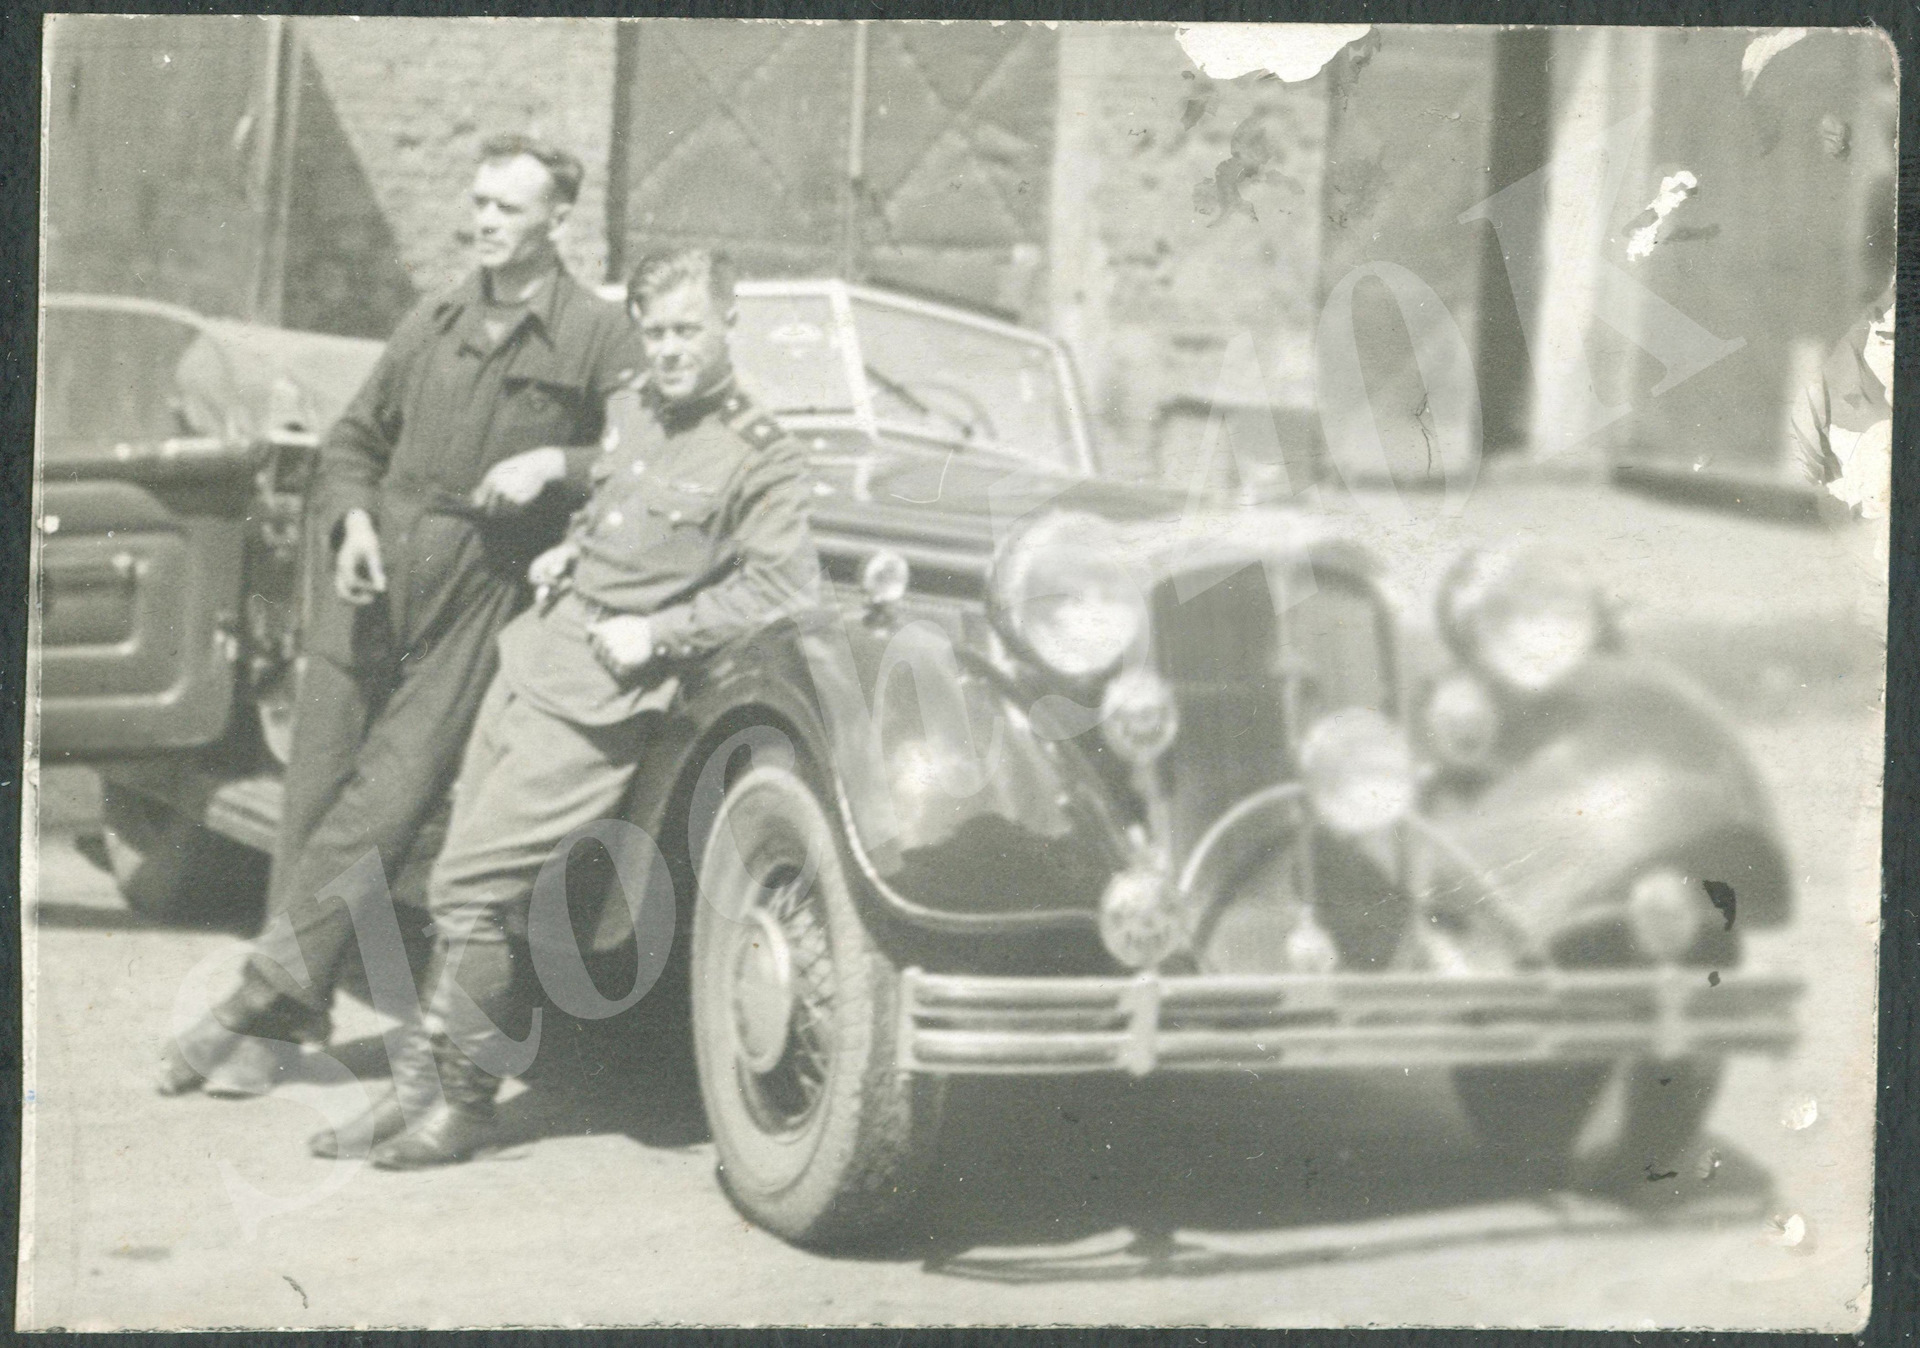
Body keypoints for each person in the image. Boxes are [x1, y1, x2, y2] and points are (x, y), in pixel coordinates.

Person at [314, 246, 821, 1168]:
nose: (668, 351)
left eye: (687, 332)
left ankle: (461, 1104)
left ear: (727, 325)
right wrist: (571, 555)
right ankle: (417, 1091)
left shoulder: (761, 453)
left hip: (603, 700)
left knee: (474, 887)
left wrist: (662, 631)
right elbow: (614, 510)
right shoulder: (630, 410)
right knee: (454, 883)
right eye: (655, 332)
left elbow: (784, 591)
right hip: (535, 661)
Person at [160, 135, 640, 1098]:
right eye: (479, 203)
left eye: (508, 206)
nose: (487, 221)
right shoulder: (435, 318)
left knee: (388, 802)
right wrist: (350, 527)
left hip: (480, 587)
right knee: (318, 794)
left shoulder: (596, 334)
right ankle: (280, 1022)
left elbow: (645, 454)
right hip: (374, 581)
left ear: (558, 219)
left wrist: (560, 465)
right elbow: (350, 444)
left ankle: (247, 1002)